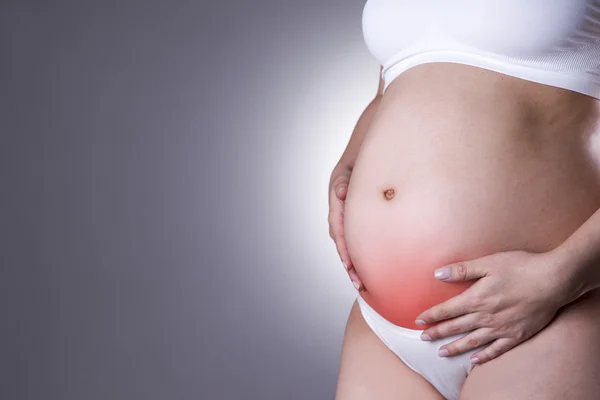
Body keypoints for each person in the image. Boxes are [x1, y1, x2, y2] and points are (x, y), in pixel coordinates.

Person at [328, 1, 600, 399]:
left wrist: (558, 278)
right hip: (382, 329)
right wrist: (346, 166)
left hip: (548, 307)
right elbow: (394, 83)